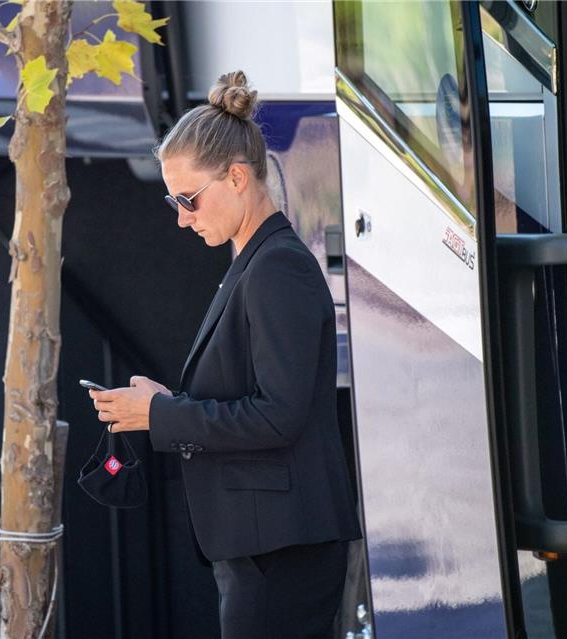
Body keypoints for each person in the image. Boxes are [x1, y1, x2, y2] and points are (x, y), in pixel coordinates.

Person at [87, 70, 362, 639]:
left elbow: (278, 414)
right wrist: (168, 403)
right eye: (172, 200)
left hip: (281, 549)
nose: (181, 217)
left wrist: (160, 416)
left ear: (237, 177)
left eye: (187, 199)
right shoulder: (257, 262)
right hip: (268, 545)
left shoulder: (276, 267)